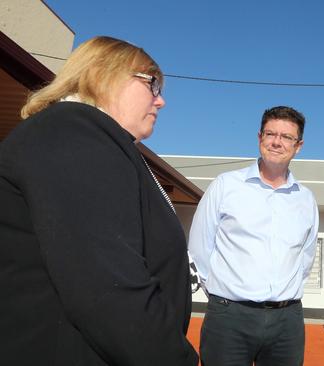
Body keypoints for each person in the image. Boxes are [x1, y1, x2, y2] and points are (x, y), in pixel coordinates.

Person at [0, 36, 198, 365]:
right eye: (152, 83)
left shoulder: (80, 137)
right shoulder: (76, 134)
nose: (160, 101)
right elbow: (109, 290)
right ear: (103, 74)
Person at [188, 106, 319, 366]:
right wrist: (223, 297)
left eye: (286, 137)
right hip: (229, 319)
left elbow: (305, 258)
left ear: (299, 146)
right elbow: (199, 249)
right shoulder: (225, 186)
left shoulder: (306, 199)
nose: (277, 142)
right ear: (259, 137)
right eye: (271, 133)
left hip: (287, 322)